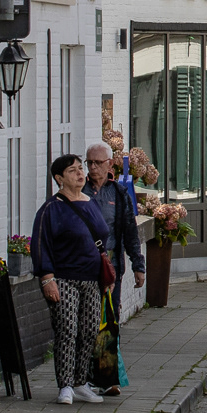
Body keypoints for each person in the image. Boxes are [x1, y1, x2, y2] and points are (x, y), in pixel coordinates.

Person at [32, 153, 113, 405]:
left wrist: (106, 273)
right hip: (64, 277)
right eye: (72, 171)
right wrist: (47, 278)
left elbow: (101, 240)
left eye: (80, 169)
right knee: (67, 329)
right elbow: (40, 244)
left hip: (91, 278)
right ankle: (65, 385)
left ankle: (80, 383)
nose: (80, 173)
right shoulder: (51, 208)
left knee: (89, 330)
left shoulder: (91, 203)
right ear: (59, 178)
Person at [86, 141, 146, 394]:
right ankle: (87, 376)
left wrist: (138, 264)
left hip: (110, 267)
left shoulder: (118, 193)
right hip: (84, 266)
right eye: (89, 162)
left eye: (98, 163)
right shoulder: (81, 190)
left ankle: (109, 378)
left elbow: (129, 232)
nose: (92, 168)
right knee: (88, 321)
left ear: (110, 164)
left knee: (109, 322)